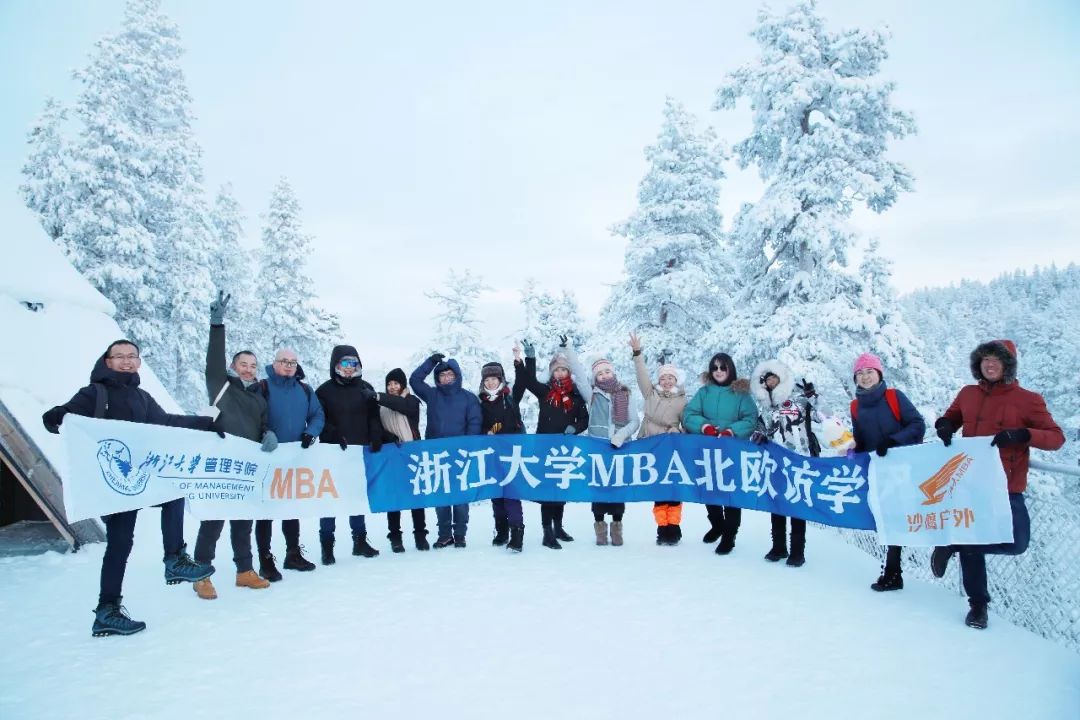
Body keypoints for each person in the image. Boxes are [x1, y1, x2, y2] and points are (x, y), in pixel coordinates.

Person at [42, 339, 216, 636]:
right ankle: (107, 609)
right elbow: (55, 420)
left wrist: (206, 424)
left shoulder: (142, 397)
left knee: (172, 491)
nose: (126, 361)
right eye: (119, 356)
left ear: (138, 362)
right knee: (120, 544)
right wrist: (58, 417)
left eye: (132, 356)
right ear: (107, 362)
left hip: (140, 479)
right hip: (111, 484)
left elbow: (166, 422)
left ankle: (174, 558)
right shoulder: (94, 393)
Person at [930, 340, 1064, 629]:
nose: (989, 365)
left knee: (1017, 543)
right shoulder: (968, 393)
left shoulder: (1028, 399)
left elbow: (1056, 437)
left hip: (1007, 485)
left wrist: (1023, 434)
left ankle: (955, 543)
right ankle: (978, 605)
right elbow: (951, 418)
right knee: (973, 544)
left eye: (996, 360)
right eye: (985, 359)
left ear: (1008, 365)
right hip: (969, 481)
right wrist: (944, 425)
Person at [192, 292, 278, 600]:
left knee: (243, 521)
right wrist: (217, 325)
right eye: (243, 364)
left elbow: (264, 422)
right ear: (233, 366)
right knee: (214, 521)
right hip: (221, 463)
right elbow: (213, 360)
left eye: (253, 365)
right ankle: (201, 574)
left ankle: (245, 572)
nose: (248, 369)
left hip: (247, 466)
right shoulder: (221, 384)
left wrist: (269, 434)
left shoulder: (258, 395)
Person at [847, 352, 926, 591]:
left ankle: (893, 572)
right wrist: (851, 449)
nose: (865, 377)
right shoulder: (855, 406)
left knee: (897, 518)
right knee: (886, 519)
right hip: (878, 471)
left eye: (869, 372)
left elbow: (918, 425)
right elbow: (861, 439)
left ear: (879, 373)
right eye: (860, 374)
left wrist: (893, 441)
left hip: (902, 469)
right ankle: (893, 572)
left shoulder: (894, 397)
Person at [255, 348, 325, 575]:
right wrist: (264, 432)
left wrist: (310, 432)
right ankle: (265, 559)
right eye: (284, 361)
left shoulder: (304, 390)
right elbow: (253, 416)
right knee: (266, 510)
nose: (288, 365)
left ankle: (293, 554)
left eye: (293, 362)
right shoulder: (262, 387)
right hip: (266, 457)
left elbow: (318, 414)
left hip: (295, 457)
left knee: (290, 506)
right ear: (274, 363)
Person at [748, 359, 824, 567]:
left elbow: (822, 415)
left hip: (800, 459)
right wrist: (760, 435)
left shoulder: (799, 398)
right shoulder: (765, 406)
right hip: (775, 461)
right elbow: (763, 428)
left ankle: (797, 551)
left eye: (773, 377)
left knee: (797, 502)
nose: (770, 382)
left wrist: (814, 397)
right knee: (777, 501)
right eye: (766, 379)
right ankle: (779, 546)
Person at [516, 336, 589, 549]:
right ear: (552, 372)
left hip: (565, 448)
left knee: (561, 487)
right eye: (556, 370)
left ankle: (559, 527)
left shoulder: (575, 396)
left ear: (568, 373)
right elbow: (528, 381)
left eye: (563, 370)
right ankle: (547, 532)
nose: (560, 373)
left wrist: (574, 428)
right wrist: (530, 358)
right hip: (544, 447)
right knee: (548, 490)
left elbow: (584, 419)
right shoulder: (546, 392)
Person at [315, 345, 383, 565]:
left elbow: (375, 417)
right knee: (330, 499)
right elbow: (319, 419)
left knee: (356, 497)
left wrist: (375, 435)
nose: (348, 368)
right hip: (333, 452)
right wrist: (334, 435)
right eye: (344, 363)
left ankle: (360, 541)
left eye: (353, 363)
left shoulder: (366, 388)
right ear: (336, 365)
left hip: (359, 452)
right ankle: (327, 546)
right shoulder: (324, 391)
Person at [682, 352, 756, 555]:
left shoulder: (741, 394)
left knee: (730, 493)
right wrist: (703, 426)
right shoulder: (704, 392)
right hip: (706, 450)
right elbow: (688, 414)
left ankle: (729, 536)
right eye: (714, 368)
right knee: (708, 489)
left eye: (723, 367)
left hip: (731, 451)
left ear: (730, 369)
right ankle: (717, 525)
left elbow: (751, 419)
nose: (719, 371)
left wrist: (732, 430)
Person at [566, 346, 639, 547]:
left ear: (613, 372)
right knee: (598, 491)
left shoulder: (626, 393)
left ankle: (617, 528)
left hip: (620, 450)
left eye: (607, 371)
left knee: (617, 491)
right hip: (597, 449)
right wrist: (567, 350)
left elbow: (634, 421)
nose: (604, 375)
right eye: (599, 373)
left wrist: (620, 436)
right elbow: (579, 375)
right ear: (595, 378)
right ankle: (600, 528)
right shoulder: (593, 395)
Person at [410, 352, 482, 548]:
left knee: (460, 498)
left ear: (457, 376)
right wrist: (431, 362)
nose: (446, 378)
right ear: (437, 377)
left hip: (460, 456)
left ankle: (460, 534)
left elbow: (474, 423)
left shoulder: (468, 398)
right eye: (442, 375)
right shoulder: (432, 395)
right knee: (441, 495)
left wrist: (468, 448)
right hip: (436, 456)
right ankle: (444, 534)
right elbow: (415, 380)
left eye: (450, 374)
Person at [630, 333, 687, 546]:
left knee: (672, 490)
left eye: (670, 378)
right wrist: (637, 353)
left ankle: (674, 527)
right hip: (650, 446)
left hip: (671, 450)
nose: (666, 381)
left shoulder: (682, 401)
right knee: (658, 490)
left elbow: (688, 424)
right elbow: (641, 375)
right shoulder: (650, 394)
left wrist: (678, 431)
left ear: (676, 380)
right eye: (663, 378)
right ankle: (662, 528)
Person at [374, 368, 429, 552]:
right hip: (390, 455)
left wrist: (378, 396)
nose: (392, 387)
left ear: (403, 385)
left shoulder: (411, 401)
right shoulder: (380, 406)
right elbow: (376, 426)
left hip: (412, 454)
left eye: (396, 383)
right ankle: (395, 537)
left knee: (416, 497)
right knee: (393, 497)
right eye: (389, 384)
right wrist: (386, 436)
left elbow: (403, 407)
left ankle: (420, 535)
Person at [479, 350, 528, 552]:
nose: (491, 383)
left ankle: (517, 532)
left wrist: (519, 363)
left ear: (500, 379)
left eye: (494, 378)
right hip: (491, 454)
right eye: (487, 379)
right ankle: (501, 530)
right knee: (496, 493)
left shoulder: (510, 397)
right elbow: (476, 424)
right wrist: (485, 432)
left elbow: (523, 383)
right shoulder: (480, 401)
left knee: (511, 493)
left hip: (512, 452)